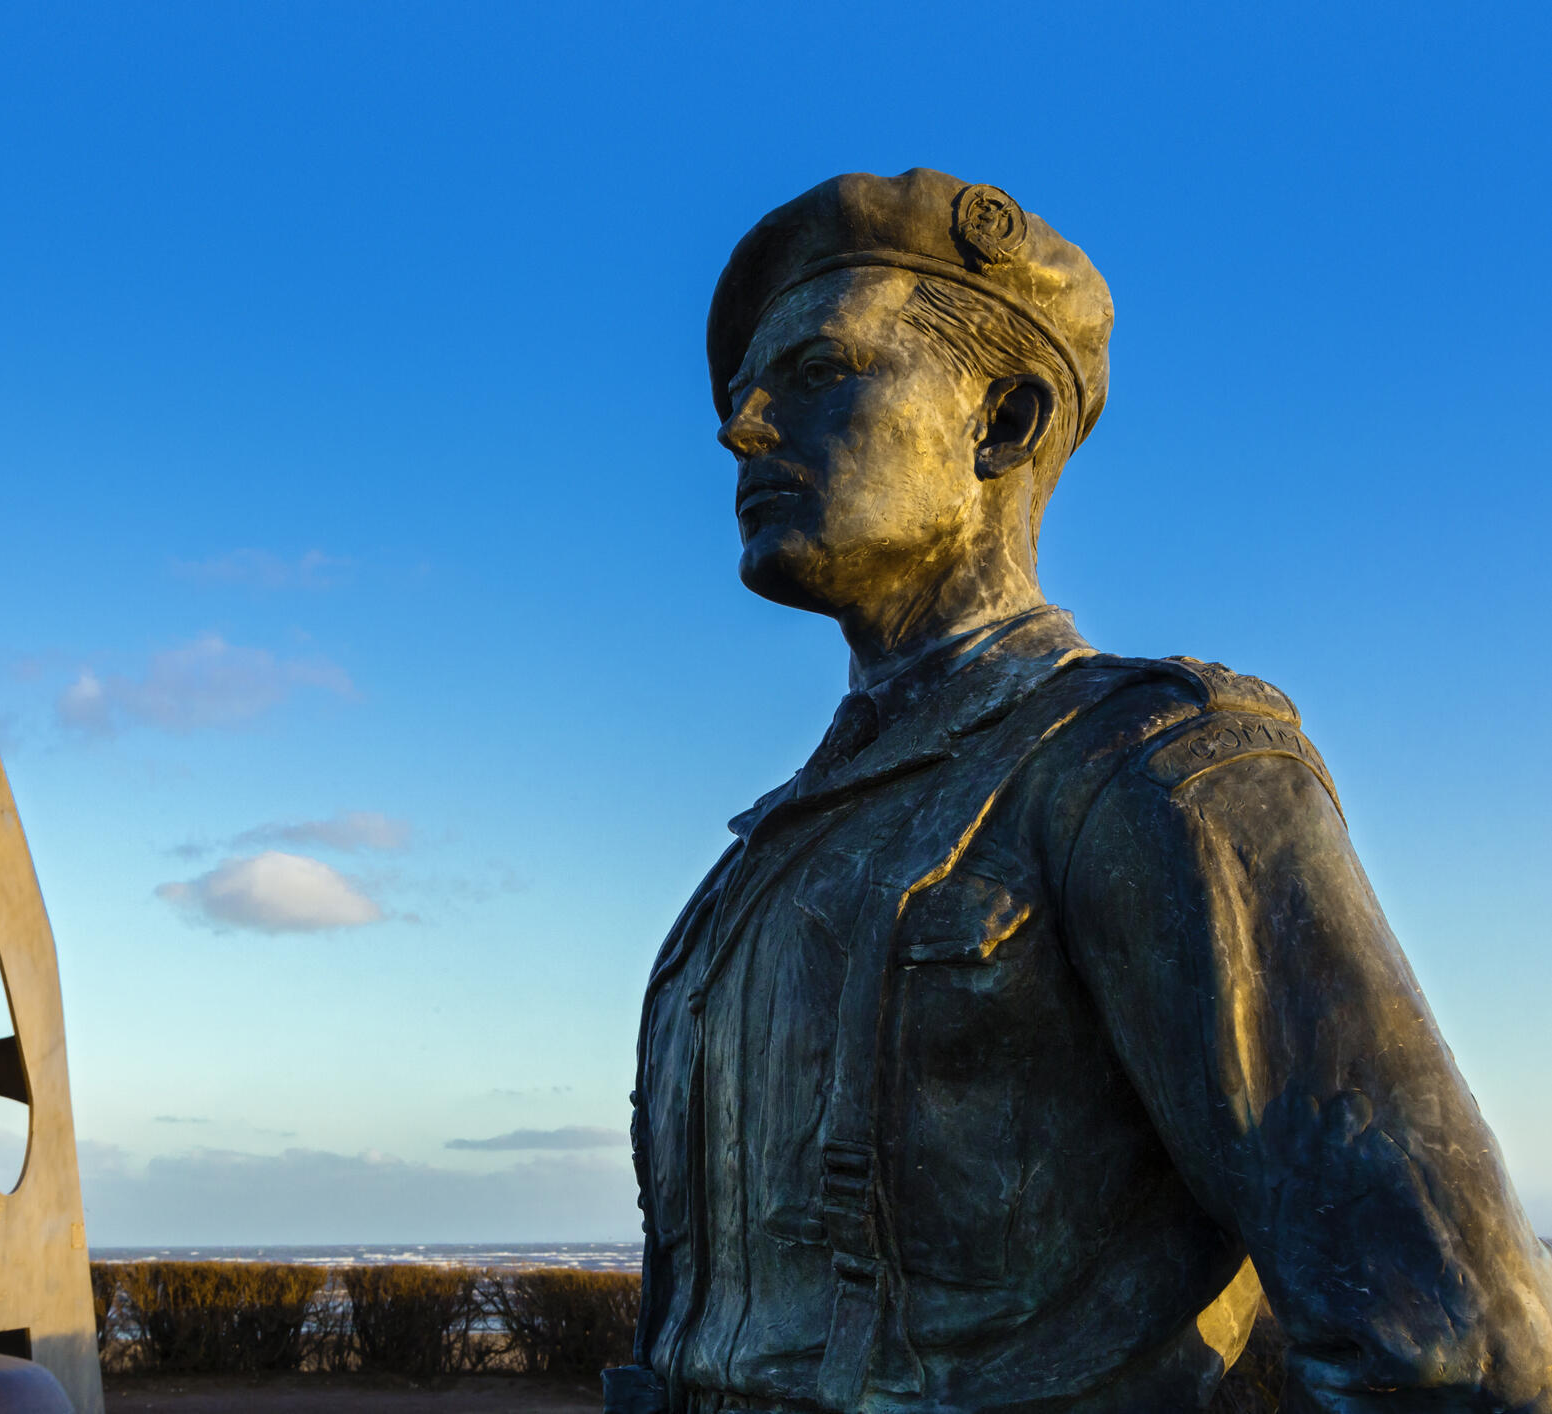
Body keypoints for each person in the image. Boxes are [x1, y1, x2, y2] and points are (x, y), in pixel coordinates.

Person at [608, 169, 1552, 1413]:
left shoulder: (1153, 769)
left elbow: (1453, 1344)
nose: (745, 428)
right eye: (742, 396)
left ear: (1001, 419)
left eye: (821, 373)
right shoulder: (761, 860)